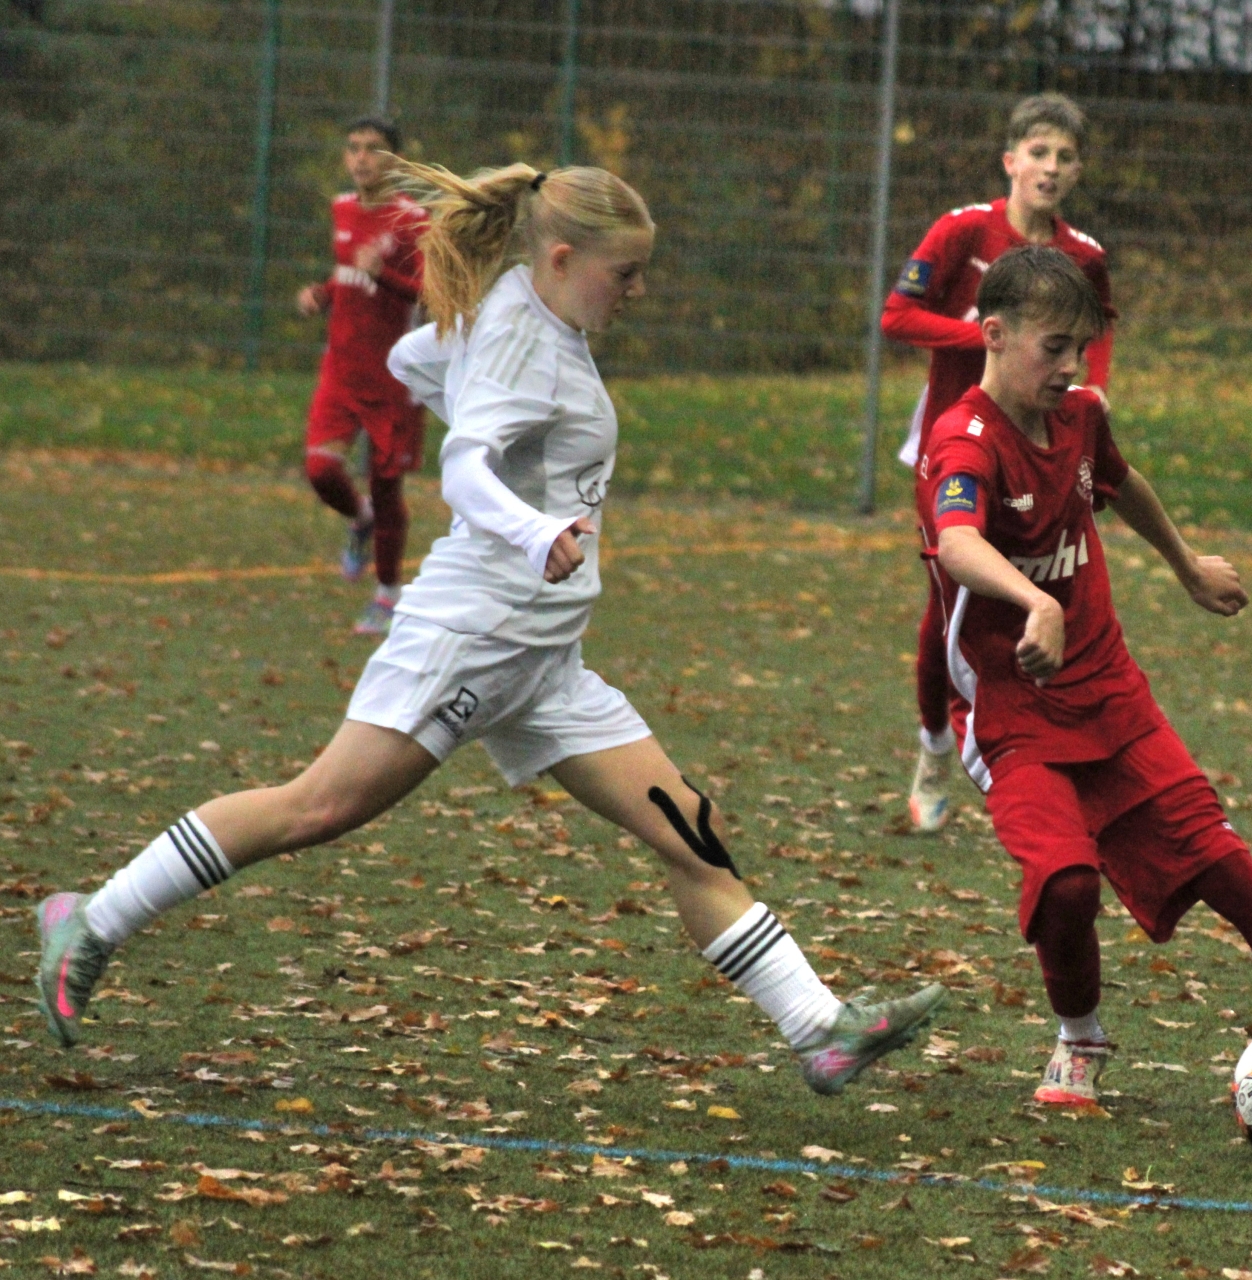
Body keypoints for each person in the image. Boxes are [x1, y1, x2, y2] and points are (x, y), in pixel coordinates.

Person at [37, 160, 945, 1093]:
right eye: (625, 273)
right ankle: (90, 920)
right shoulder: (523, 339)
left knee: (689, 828)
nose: (637, 291)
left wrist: (474, 398)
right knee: (319, 807)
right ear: (562, 258)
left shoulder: (523, 310)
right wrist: (535, 528)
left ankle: (818, 1031)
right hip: (472, 633)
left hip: (544, 658)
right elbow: (467, 470)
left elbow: (409, 361)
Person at [917, 245, 1252, 1137]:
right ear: (992, 335)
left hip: (1112, 696)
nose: (1071, 366)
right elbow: (957, 542)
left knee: (1230, 869)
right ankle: (1080, 1038)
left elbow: (1119, 483)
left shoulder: (1079, 417)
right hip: (1012, 711)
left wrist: (1186, 565)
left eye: (1081, 347)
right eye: (1053, 347)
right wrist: (1037, 601)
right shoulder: (962, 442)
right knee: (1066, 887)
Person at [882, 92, 1117, 835]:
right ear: (1010, 161)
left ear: (1078, 171)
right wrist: (989, 339)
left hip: (1042, 444)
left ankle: (1051, 749)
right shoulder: (962, 230)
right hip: (954, 442)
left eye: (1066, 157)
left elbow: (1101, 328)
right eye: (1038, 153)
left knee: (1060, 584)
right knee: (950, 603)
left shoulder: (1084, 256)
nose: (1051, 168)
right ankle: (935, 748)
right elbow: (896, 315)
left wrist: (1095, 387)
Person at [296, 116, 430, 637]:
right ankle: (361, 518)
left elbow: (433, 296)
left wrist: (386, 276)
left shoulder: (415, 222)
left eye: (373, 148)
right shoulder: (343, 208)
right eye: (353, 147)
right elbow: (347, 273)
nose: (361, 158)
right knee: (320, 470)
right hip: (342, 369)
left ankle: (388, 595)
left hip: (393, 379)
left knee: (387, 486)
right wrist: (322, 295)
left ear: (396, 160)